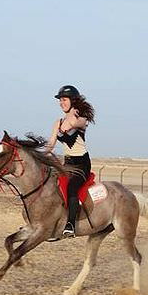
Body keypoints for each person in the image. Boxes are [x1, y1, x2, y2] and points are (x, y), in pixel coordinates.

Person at [46, 85, 95, 237]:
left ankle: (70, 225)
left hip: (82, 164)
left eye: (64, 99)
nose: (61, 103)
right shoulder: (58, 122)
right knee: (50, 184)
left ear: (73, 100)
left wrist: (74, 112)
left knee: (72, 188)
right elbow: (51, 145)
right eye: (60, 100)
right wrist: (37, 154)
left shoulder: (82, 118)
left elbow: (74, 124)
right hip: (67, 164)